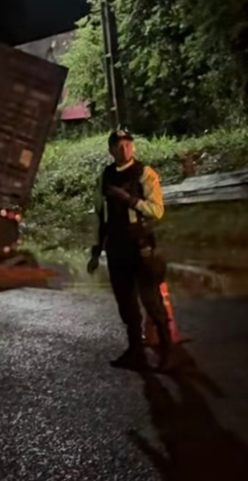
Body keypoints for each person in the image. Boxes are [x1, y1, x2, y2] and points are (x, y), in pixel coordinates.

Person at [88, 129, 174, 370]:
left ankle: (167, 350)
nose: (124, 149)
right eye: (119, 145)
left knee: (151, 300)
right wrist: (96, 250)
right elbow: (99, 215)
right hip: (116, 247)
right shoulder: (105, 176)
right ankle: (135, 351)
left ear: (132, 147)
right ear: (111, 150)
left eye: (128, 144)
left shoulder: (144, 173)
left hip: (140, 245)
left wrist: (129, 200)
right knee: (126, 304)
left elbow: (157, 211)